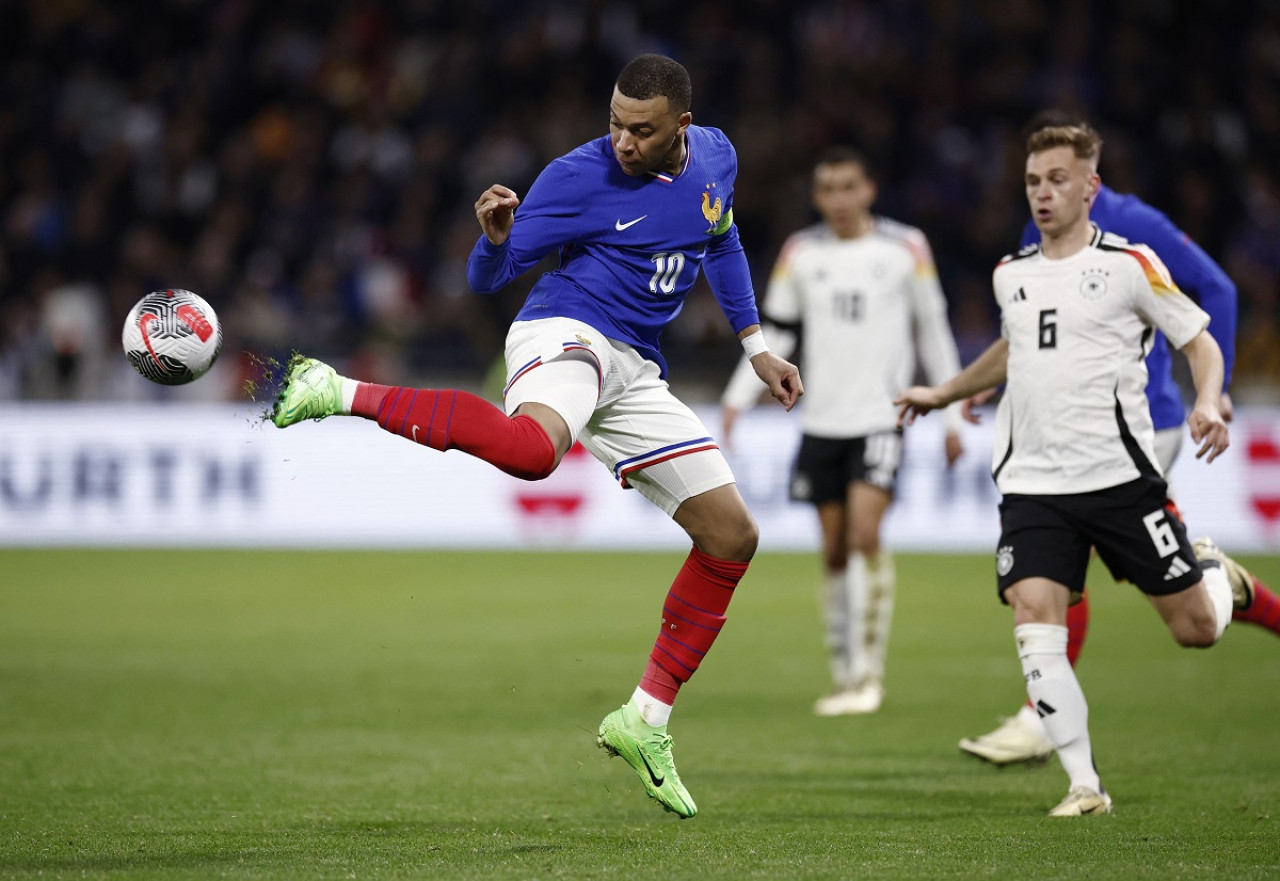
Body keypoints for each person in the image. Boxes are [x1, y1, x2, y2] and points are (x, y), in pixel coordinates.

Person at [268, 54, 802, 819]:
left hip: (636, 370)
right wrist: (491, 241)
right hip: (566, 329)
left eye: (640, 130)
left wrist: (756, 348)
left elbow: (721, 238)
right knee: (531, 450)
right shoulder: (574, 178)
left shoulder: (717, 157)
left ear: (682, 128)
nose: (621, 140)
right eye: (614, 122)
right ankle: (337, 388)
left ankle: (643, 720)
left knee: (731, 535)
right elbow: (486, 282)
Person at [895, 122, 1256, 817]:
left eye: (1057, 179)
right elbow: (1012, 346)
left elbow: (1199, 339)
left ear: (1090, 187)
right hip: (1033, 484)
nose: (1043, 192)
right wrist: (946, 392)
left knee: (1195, 629)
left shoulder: (1130, 264)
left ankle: (1217, 577)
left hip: (1121, 479)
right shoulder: (1012, 274)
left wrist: (1209, 398)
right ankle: (1085, 784)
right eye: (1033, 181)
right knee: (1034, 614)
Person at [719, 146, 964, 715]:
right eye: (828, 189)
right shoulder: (801, 253)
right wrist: (736, 397)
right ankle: (843, 672)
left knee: (863, 535)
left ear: (869, 190)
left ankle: (868, 677)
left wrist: (952, 410)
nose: (839, 200)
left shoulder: (906, 248)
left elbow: (933, 331)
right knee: (832, 551)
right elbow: (773, 332)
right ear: (817, 196)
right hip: (820, 420)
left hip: (882, 417)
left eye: (848, 187)